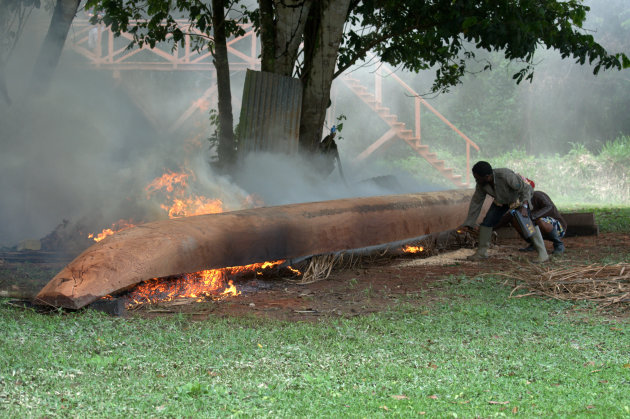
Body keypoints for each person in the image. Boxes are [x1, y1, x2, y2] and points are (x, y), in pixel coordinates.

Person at [459, 161, 549, 263]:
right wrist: (469, 223)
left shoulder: (506, 176)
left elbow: (526, 189)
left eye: (478, 178)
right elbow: (476, 202)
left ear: (487, 176)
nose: (476, 180)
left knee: (527, 223)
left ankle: (543, 254)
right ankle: (482, 253)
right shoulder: (481, 184)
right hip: (501, 201)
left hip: (519, 198)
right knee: (487, 222)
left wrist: (524, 206)